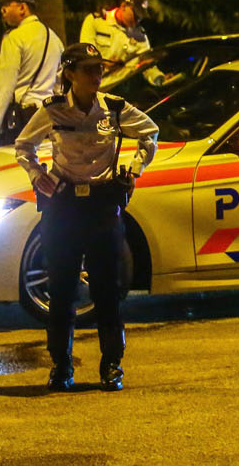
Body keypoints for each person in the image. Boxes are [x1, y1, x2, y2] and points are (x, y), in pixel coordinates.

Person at [13, 42, 159, 393]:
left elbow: (150, 133)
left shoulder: (114, 108)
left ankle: (112, 365)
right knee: (62, 291)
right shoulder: (53, 111)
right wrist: (36, 175)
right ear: (69, 74)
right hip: (64, 208)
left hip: (102, 207)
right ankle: (61, 366)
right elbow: (23, 146)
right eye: (89, 69)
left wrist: (134, 168)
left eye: (99, 69)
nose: (97, 75)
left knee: (108, 291)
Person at [0, 0, 62, 151]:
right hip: (49, 116)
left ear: (22, 7)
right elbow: (60, 86)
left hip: (24, 118)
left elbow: (4, 86)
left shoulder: (14, 38)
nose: (2, 10)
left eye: (7, 5)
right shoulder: (54, 39)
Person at [80, 0, 152, 72]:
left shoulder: (139, 35)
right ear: (123, 6)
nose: (137, 20)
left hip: (122, 82)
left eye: (140, 17)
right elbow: (85, 54)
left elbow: (147, 64)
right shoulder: (96, 21)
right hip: (98, 81)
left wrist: (159, 78)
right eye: (135, 14)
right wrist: (103, 63)